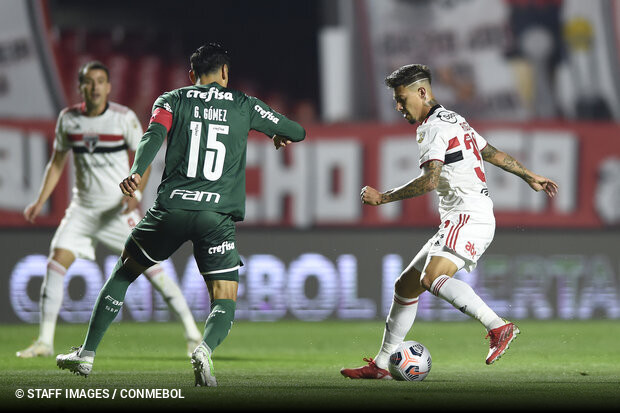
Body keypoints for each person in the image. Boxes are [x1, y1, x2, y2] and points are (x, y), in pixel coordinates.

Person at [56, 43, 306, 386]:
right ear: (225, 73)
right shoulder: (244, 104)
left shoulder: (172, 99)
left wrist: (136, 171)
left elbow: (153, 135)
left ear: (192, 76)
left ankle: (86, 355)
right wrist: (277, 133)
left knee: (124, 274)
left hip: (171, 209)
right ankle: (204, 350)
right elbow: (298, 131)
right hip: (216, 218)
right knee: (225, 296)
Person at [341, 64, 558, 379]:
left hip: (467, 217)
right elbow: (491, 152)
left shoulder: (432, 128)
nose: (398, 107)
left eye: (402, 99)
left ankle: (499, 327)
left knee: (431, 279)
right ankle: (381, 365)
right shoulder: (454, 118)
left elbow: (430, 181)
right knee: (406, 285)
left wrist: (384, 198)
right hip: (465, 217)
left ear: (422, 92)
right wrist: (528, 175)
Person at [17, 61, 202, 359]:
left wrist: (138, 193)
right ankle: (44, 342)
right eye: (89, 82)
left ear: (108, 86)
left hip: (118, 210)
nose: (95, 87)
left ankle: (192, 332)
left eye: (101, 81)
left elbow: (148, 156)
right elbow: (57, 162)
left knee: (153, 270)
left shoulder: (123, 119)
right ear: (80, 87)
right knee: (56, 262)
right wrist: (40, 201)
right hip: (82, 209)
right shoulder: (68, 119)